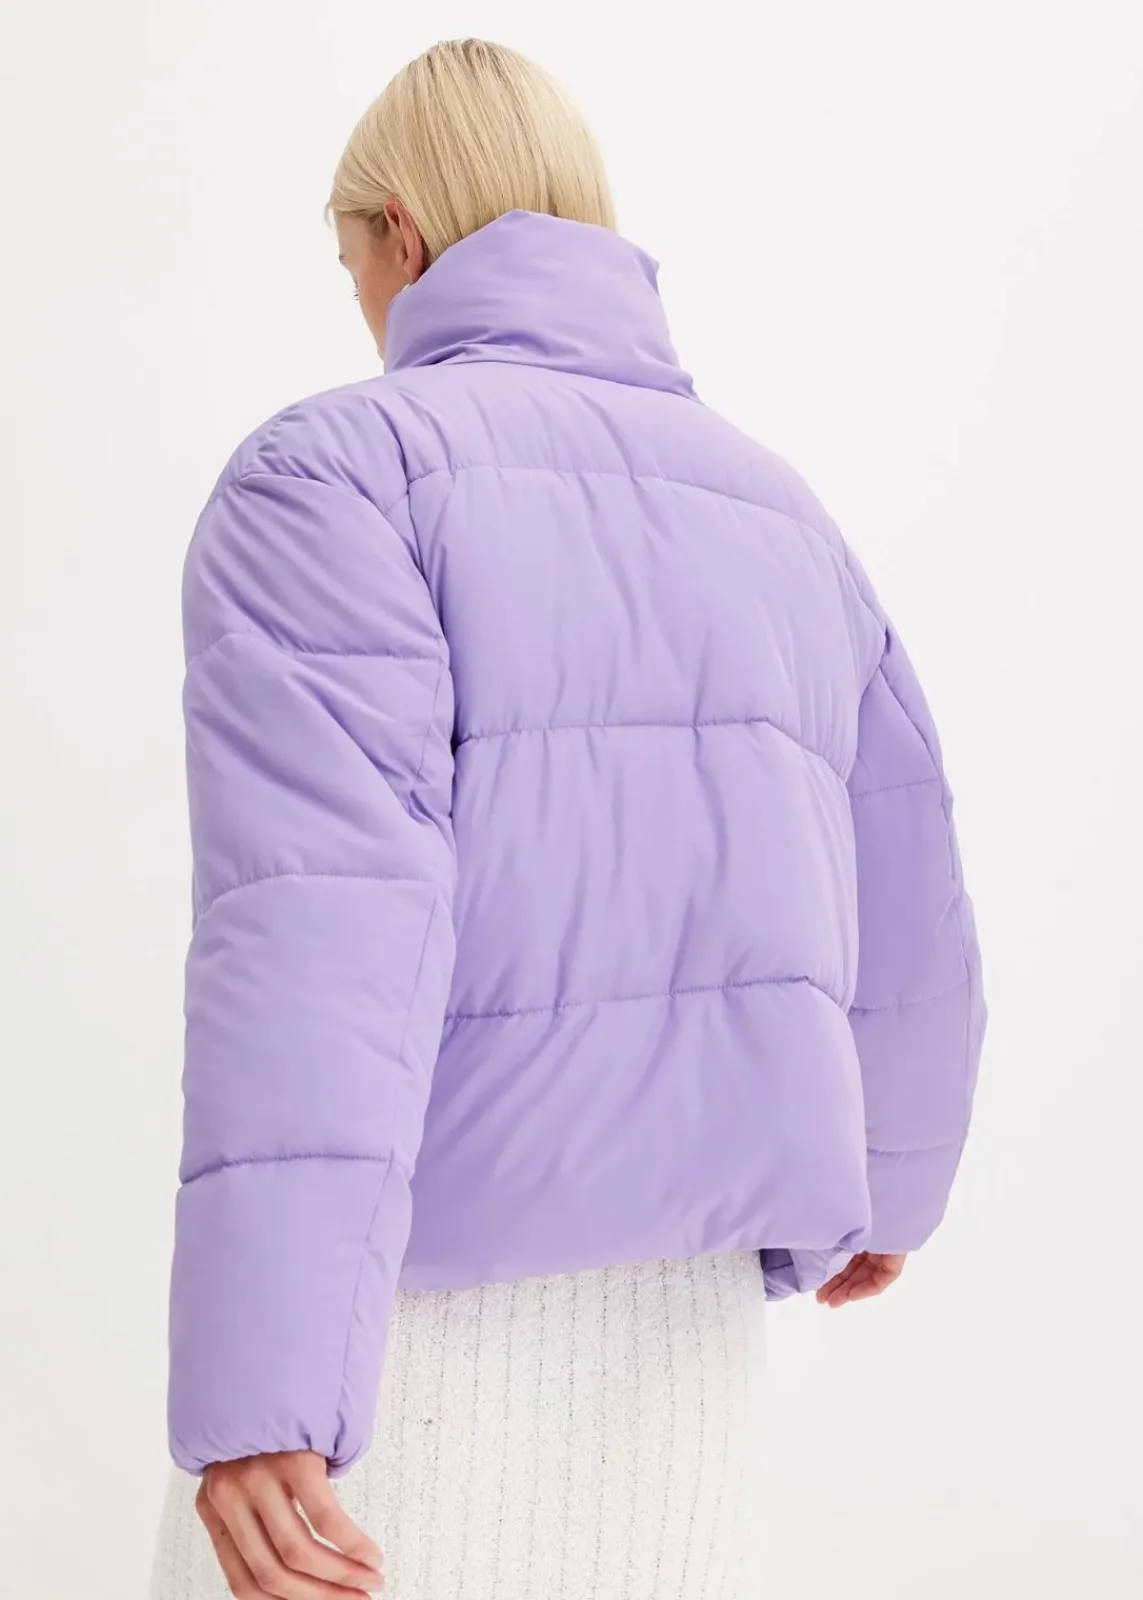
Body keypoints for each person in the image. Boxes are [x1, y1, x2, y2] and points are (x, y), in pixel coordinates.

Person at [150, 36, 986, 1600]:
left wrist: (266, 1388)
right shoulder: (781, 514)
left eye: (351, 266)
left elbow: (323, 928)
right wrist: (886, 1180)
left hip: (391, 1359)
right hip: (685, 1375)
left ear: (400, 236)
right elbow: (906, 868)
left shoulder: (333, 479)